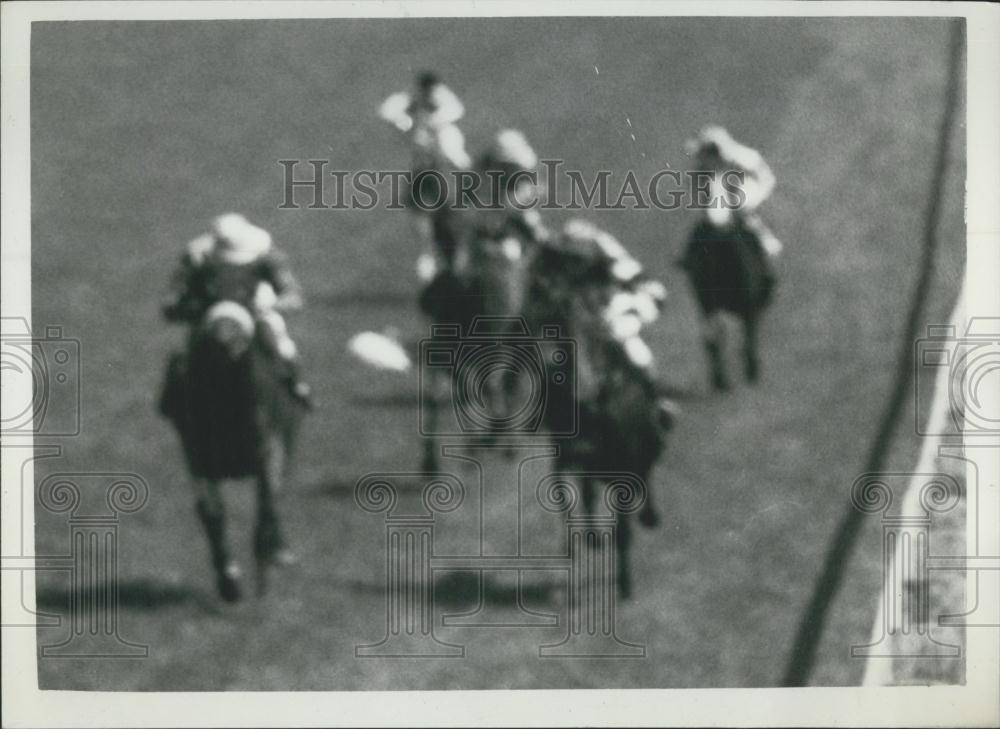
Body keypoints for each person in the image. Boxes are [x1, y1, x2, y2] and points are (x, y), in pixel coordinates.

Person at [163, 212, 313, 408]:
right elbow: (173, 301)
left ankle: (297, 386)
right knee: (186, 357)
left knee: (282, 347)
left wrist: (272, 305)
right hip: (211, 319)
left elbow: (293, 296)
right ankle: (173, 402)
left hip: (258, 314)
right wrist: (191, 309)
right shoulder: (198, 259)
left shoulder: (265, 256)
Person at [686, 125, 782, 257]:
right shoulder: (701, 170)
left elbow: (765, 179)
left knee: (740, 206)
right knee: (715, 221)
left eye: (705, 155)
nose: (702, 160)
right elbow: (700, 199)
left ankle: (764, 238)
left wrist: (755, 200)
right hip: (725, 195)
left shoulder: (742, 159)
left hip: (751, 190)